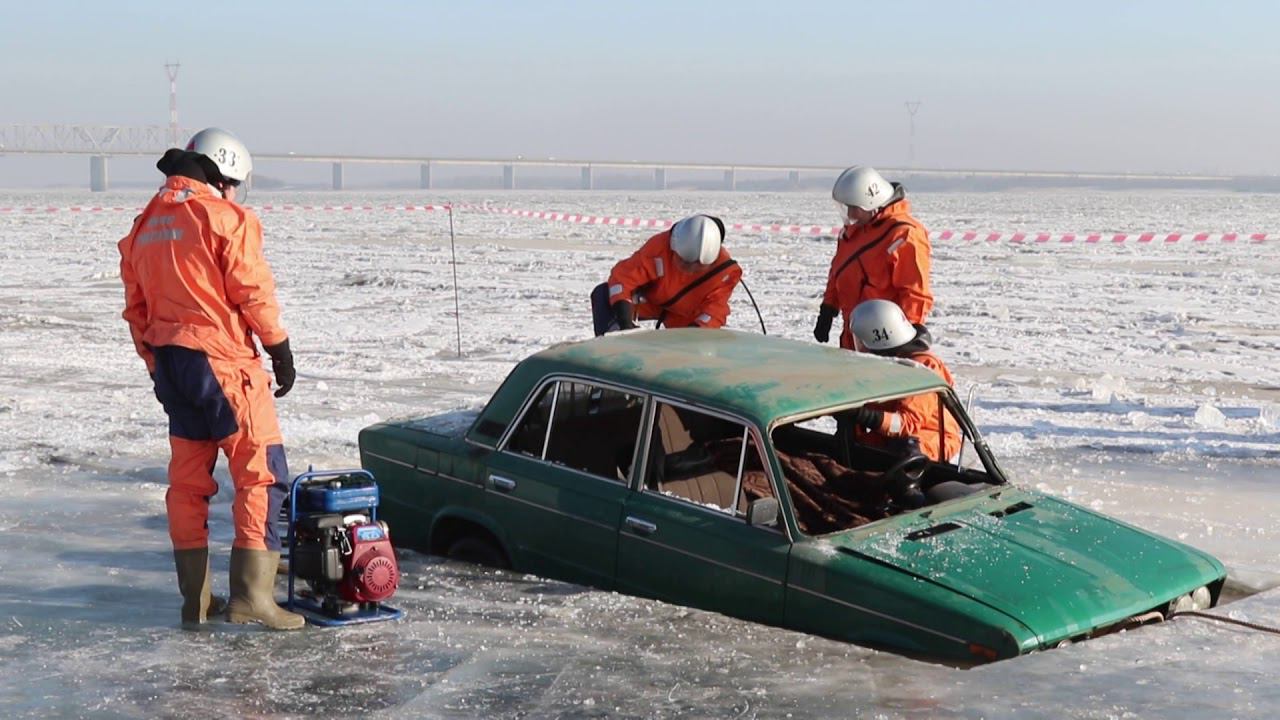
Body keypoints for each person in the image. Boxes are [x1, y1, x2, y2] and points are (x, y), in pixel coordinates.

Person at [118, 127, 304, 631]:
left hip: (172, 366)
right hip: (222, 361)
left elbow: (136, 309)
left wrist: (157, 364)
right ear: (222, 175)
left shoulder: (145, 225)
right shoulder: (224, 218)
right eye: (235, 183)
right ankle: (252, 598)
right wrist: (279, 349)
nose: (236, 193)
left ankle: (195, 601)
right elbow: (251, 289)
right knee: (260, 471)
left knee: (187, 483)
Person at [814, 166, 933, 350]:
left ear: (870, 202)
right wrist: (828, 307)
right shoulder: (852, 232)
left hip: (884, 339)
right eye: (847, 208)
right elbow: (839, 269)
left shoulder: (903, 235)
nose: (850, 214)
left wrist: (905, 336)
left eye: (854, 208)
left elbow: (914, 293)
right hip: (854, 334)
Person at [844, 299, 961, 464]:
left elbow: (907, 423)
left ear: (880, 338)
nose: (858, 347)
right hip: (891, 433)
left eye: (860, 341)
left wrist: (862, 415)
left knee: (903, 450)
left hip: (930, 436)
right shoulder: (880, 363)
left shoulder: (922, 368)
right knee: (849, 448)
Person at [591, 214, 742, 335]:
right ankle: (611, 343)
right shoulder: (659, 247)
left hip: (687, 315)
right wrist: (624, 322)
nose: (690, 269)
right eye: (685, 262)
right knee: (603, 294)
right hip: (652, 301)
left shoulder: (724, 271)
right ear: (674, 248)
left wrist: (694, 337)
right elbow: (624, 279)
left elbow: (715, 310)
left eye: (698, 266)